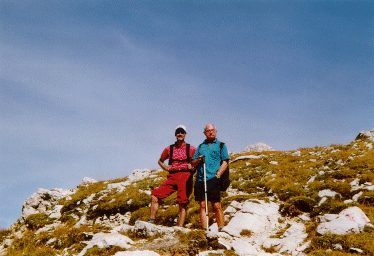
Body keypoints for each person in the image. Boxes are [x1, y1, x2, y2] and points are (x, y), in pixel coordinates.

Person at [149, 125, 196, 227]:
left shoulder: (191, 148)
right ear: (175, 134)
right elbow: (160, 161)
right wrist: (166, 168)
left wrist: (192, 166)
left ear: (185, 134)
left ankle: (179, 228)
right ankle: (151, 221)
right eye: (178, 132)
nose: (180, 134)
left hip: (185, 176)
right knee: (155, 195)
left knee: (182, 202)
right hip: (172, 176)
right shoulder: (169, 149)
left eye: (182, 132)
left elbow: (197, 161)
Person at [191, 124, 230, 231]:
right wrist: (198, 160)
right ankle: (204, 229)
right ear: (205, 133)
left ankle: (221, 228)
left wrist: (218, 175)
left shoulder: (221, 145)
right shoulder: (200, 146)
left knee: (216, 205)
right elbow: (193, 163)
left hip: (213, 178)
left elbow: (225, 162)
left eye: (212, 130)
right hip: (200, 179)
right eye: (208, 131)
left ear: (216, 131)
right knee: (202, 205)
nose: (211, 132)